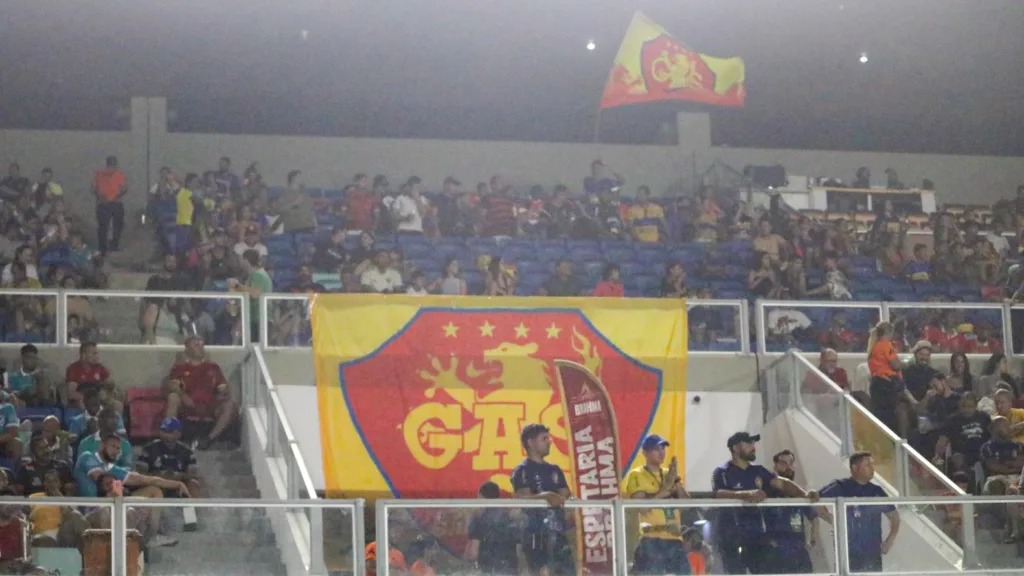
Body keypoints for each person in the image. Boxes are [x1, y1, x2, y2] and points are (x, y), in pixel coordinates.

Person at [711, 431, 816, 574]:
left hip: (756, 536)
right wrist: (747, 494)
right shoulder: (722, 472)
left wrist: (805, 495)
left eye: (753, 443)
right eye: (748, 443)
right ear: (735, 448)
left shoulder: (758, 470)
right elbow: (719, 494)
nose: (753, 446)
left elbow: (783, 484)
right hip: (730, 536)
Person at [74, 433, 189, 547]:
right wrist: (117, 487)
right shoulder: (87, 456)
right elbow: (100, 478)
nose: (116, 451)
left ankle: (153, 537)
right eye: (113, 446)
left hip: (113, 503)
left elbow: (146, 479)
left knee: (154, 491)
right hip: (91, 510)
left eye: (118, 448)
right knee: (119, 508)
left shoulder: (112, 468)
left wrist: (177, 484)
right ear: (102, 446)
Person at [818, 452, 900, 573]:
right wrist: (834, 521)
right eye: (867, 465)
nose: (872, 468)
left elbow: (894, 516)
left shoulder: (876, 491)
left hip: (872, 551)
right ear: (855, 468)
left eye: (872, 464)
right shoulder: (840, 486)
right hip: (847, 550)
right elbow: (816, 502)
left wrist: (890, 539)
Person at [623, 434, 691, 574]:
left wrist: (676, 482)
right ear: (645, 453)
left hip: (675, 538)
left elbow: (687, 505)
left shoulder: (669, 474)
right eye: (656, 449)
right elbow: (641, 507)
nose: (661, 452)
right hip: (651, 539)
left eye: (663, 448)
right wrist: (665, 489)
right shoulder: (637, 474)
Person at [510, 423, 572, 576]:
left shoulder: (555, 469)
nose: (549, 441)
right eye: (544, 438)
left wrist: (555, 497)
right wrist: (546, 496)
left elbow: (564, 493)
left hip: (558, 534)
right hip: (535, 534)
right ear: (530, 442)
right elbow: (523, 498)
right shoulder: (522, 470)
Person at [165, 336, 237, 449]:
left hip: (210, 406)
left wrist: (222, 393)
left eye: (202, 345)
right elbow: (173, 386)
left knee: (229, 404)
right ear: (187, 349)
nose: (201, 348)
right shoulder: (180, 367)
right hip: (187, 405)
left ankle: (209, 440)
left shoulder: (213, 367)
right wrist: (184, 396)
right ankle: (169, 437)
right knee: (173, 398)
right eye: (196, 345)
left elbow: (223, 388)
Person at [762, 450, 816, 574]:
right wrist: (770, 542)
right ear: (775, 466)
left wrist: (811, 541)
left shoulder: (799, 493)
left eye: (791, 463)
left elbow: (813, 516)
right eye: (783, 463)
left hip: (799, 553)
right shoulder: (766, 493)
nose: (788, 467)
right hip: (775, 553)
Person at [867, 322, 914, 437]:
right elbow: (895, 365)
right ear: (889, 332)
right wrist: (907, 364)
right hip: (886, 384)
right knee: (893, 415)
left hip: (876, 384)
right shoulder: (886, 345)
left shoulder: (874, 347)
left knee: (881, 416)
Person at [138, 417, 203, 499]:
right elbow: (140, 472)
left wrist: (177, 476)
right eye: (163, 431)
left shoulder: (187, 451)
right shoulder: (149, 449)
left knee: (194, 484)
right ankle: (155, 511)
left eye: (169, 432)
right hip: (156, 482)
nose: (165, 434)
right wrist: (159, 477)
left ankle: (194, 510)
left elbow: (192, 474)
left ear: (178, 434)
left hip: (180, 483)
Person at [466, 480, 521, 575]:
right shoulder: (510, 517)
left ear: (480, 496)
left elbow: (473, 553)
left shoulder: (478, 518)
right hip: (509, 570)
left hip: (488, 570)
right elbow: (519, 549)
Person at [934, 393, 991, 479]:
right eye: (964, 406)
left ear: (976, 406)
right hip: (962, 454)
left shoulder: (984, 417)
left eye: (970, 406)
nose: (967, 409)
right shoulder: (952, 420)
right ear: (959, 406)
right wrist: (937, 455)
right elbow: (943, 440)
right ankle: (963, 477)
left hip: (982, 452)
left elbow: (993, 435)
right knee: (957, 459)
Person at [64, 341, 118, 410]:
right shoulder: (74, 369)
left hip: (98, 399)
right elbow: (71, 394)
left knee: (117, 405)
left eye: (97, 353)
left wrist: (108, 393)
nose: (97, 356)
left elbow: (111, 384)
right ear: (84, 355)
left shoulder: (99, 367)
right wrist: (90, 398)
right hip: (82, 400)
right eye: (94, 353)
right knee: (82, 403)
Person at [92, 155, 127, 253]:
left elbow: (93, 188)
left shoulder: (102, 174)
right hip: (112, 202)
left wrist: (101, 195)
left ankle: (106, 246)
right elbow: (124, 188)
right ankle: (109, 246)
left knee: (111, 226)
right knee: (111, 226)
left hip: (109, 202)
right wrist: (115, 196)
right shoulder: (102, 174)